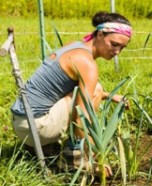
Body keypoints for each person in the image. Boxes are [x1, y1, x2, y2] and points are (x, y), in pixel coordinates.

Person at [11, 11, 132, 176]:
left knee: (96, 90)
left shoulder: (75, 46)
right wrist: (93, 156)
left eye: (122, 47)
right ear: (100, 34)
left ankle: (46, 146)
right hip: (35, 127)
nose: (117, 51)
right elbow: (83, 117)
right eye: (114, 44)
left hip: (22, 121)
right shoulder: (87, 64)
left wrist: (108, 95)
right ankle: (73, 158)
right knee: (94, 89)